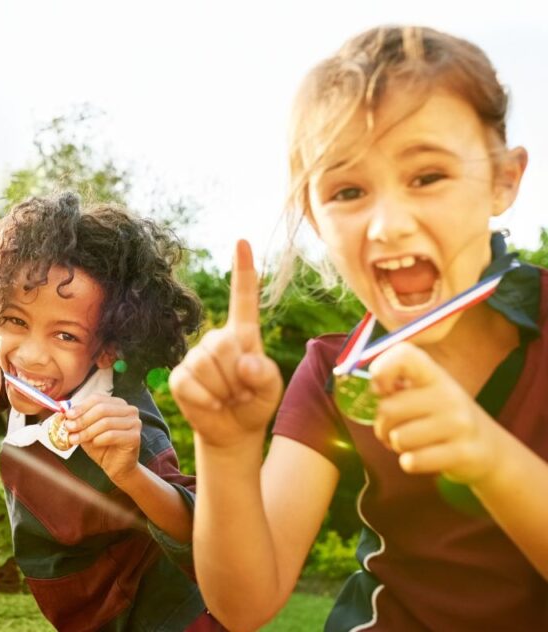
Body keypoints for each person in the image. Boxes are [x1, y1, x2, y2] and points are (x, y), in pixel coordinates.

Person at [169, 25, 548, 630]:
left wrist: (488, 456)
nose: (388, 225)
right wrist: (227, 448)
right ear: (315, 218)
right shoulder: (331, 373)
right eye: (348, 191)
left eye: (427, 177)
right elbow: (244, 606)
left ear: (504, 180)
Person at [0, 193, 218, 630]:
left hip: (171, 617)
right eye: (16, 321)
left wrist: (131, 475)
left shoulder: (122, 418)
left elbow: (201, 536)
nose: (31, 355)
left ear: (107, 348)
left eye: (65, 336)